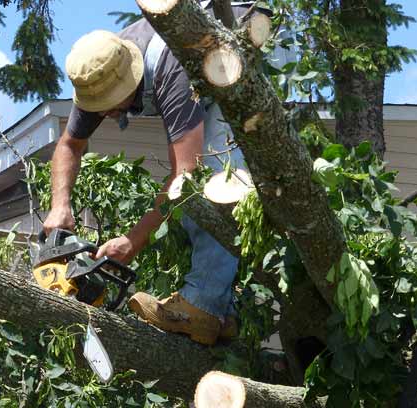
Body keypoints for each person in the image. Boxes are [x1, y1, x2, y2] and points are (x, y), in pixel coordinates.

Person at [42, 7, 251, 345]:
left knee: (216, 177)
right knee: (190, 198)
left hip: (235, 53)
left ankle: (205, 307)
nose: (105, 112)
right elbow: (69, 145)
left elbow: (186, 174)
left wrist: (132, 240)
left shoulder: (172, 68)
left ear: (131, 77)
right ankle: (225, 313)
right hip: (201, 71)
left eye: (109, 103)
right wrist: (59, 206)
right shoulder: (98, 70)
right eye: (97, 104)